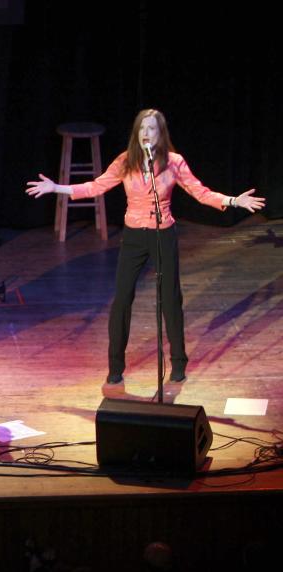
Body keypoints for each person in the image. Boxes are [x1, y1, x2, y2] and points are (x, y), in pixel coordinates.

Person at [27, 109, 264, 384]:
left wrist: (233, 201)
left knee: (171, 300)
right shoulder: (125, 161)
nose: (145, 134)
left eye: (151, 129)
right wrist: (57, 187)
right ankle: (115, 367)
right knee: (122, 300)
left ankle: (178, 363)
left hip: (163, 234)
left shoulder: (173, 163)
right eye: (141, 129)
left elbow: (201, 192)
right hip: (134, 236)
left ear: (160, 134)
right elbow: (95, 187)